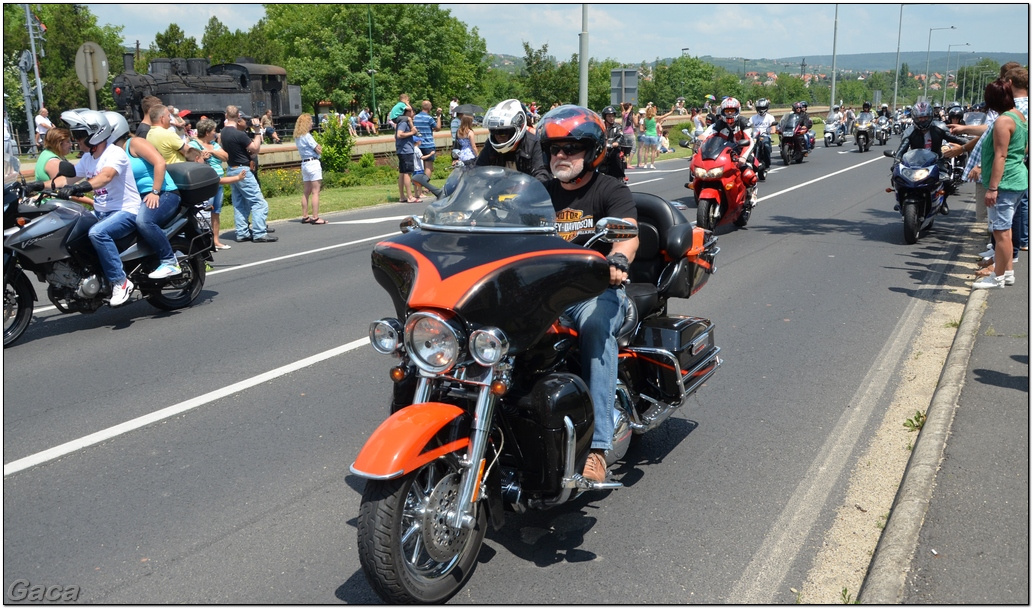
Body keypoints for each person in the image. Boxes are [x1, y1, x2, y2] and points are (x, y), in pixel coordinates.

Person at [537, 105, 639, 483]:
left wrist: (617, 258)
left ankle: (596, 448)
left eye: (572, 147)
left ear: (593, 151)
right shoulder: (539, 193)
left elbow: (627, 233)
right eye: (555, 148)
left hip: (594, 291)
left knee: (596, 328)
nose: (561, 155)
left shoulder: (610, 190)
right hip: (544, 293)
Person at [54, 109, 139, 306]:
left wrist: (81, 186)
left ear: (95, 134)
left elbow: (106, 176)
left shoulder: (114, 153)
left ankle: (120, 281)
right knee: (71, 229)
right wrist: (37, 186)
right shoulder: (88, 158)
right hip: (103, 211)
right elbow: (67, 178)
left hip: (126, 210)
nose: (77, 140)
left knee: (97, 233)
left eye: (80, 135)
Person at [104, 111, 183, 280]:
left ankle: (170, 261)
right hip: (138, 198)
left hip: (164, 192)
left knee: (144, 221)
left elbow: (160, 162)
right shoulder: (111, 153)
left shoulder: (134, 143)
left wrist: (155, 191)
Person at [972, 78, 1027, 289]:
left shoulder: (1004, 121)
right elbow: (1023, 149)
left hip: (1005, 183)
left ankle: (998, 277)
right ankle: (1008, 273)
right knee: (1007, 230)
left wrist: (993, 188)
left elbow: (1001, 155)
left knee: (1001, 232)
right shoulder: (1019, 116)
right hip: (1017, 179)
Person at [188, 118, 245, 250]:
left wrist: (213, 152)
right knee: (204, 213)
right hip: (206, 182)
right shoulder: (194, 144)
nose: (215, 133)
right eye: (213, 130)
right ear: (207, 131)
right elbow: (192, 159)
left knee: (216, 212)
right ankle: (204, 242)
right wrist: (204, 156)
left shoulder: (214, 144)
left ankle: (216, 241)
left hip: (218, 182)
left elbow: (226, 156)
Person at [220, 114, 277, 242]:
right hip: (243, 170)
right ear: (238, 121)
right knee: (259, 202)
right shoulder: (239, 135)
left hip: (231, 168)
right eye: (245, 120)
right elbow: (255, 149)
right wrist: (257, 131)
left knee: (240, 203)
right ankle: (259, 232)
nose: (247, 122)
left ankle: (242, 232)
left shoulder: (224, 133)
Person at [700, 97, 759, 207]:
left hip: (742, 152)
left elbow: (749, 141)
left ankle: (752, 192)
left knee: (748, 174)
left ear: (738, 111)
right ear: (722, 112)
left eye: (732, 111)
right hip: (723, 153)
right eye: (727, 111)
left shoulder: (744, 123)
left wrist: (743, 157)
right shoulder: (719, 124)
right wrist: (699, 143)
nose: (730, 114)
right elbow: (708, 135)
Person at [475, 98, 549, 182]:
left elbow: (541, 172)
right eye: (494, 131)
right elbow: (478, 168)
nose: (498, 136)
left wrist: (536, 185)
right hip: (497, 192)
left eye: (503, 132)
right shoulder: (491, 144)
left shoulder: (532, 143)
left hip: (526, 193)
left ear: (519, 127)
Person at [34, 128, 94, 206]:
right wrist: (91, 202)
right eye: (68, 142)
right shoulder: (54, 162)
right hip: (53, 206)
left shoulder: (46, 154)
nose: (71, 144)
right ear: (59, 143)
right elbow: (63, 189)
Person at [293, 113, 326, 224]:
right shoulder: (307, 136)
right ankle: (315, 217)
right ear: (306, 123)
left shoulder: (297, 137)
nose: (312, 123)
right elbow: (318, 149)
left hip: (304, 164)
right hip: (313, 163)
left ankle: (305, 216)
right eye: (310, 121)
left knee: (306, 191)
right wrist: (319, 148)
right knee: (315, 192)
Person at [640, 104, 676, 169]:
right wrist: (671, 111)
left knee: (646, 151)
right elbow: (664, 116)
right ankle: (652, 164)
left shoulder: (645, 119)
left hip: (647, 135)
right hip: (654, 135)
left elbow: (644, 128)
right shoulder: (655, 118)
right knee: (653, 151)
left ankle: (645, 164)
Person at [395, 104, 418, 203]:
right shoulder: (404, 122)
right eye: (413, 112)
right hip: (406, 150)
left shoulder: (404, 121)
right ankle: (409, 196)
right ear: (408, 112)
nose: (414, 114)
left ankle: (402, 196)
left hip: (403, 149)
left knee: (402, 172)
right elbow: (399, 134)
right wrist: (412, 133)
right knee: (407, 173)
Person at [413, 101, 442, 179]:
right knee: (428, 166)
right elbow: (438, 128)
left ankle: (418, 186)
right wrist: (438, 116)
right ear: (429, 108)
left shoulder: (415, 117)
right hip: (428, 145)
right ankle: (426, 188)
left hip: (417, 145)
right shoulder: (429, 118)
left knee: (418, 166)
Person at [749, 98, 777, 178]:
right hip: (754, 138)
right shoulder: (753, 118)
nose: (761, 110)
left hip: (765, 136)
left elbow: (773, 127)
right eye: (760, 108)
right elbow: (748, 124)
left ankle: (767, 164)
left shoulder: (770, 117)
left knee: (767, 146)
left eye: (763, 108)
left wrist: (772, 130)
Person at [599, 105, 626, 182]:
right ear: (605, 117)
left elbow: (621, 137)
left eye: (613, 116)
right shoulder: (601, 127)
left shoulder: (617, 127)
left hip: (612, 149)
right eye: (609, 116)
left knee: (616, 155)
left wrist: (615, 143)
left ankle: (618, 177)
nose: (612, 118)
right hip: (602, 149)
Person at [411, 135, 442, 200]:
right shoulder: (417, 149)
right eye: (420, 141)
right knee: (419, 181)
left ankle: (416, 194)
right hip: (419, 168)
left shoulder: (412, 149)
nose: (421, 142)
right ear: (417, 142)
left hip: (414, 168)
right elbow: (422, 157)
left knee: (415, 181)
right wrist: (430, 154)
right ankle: (420, 193)